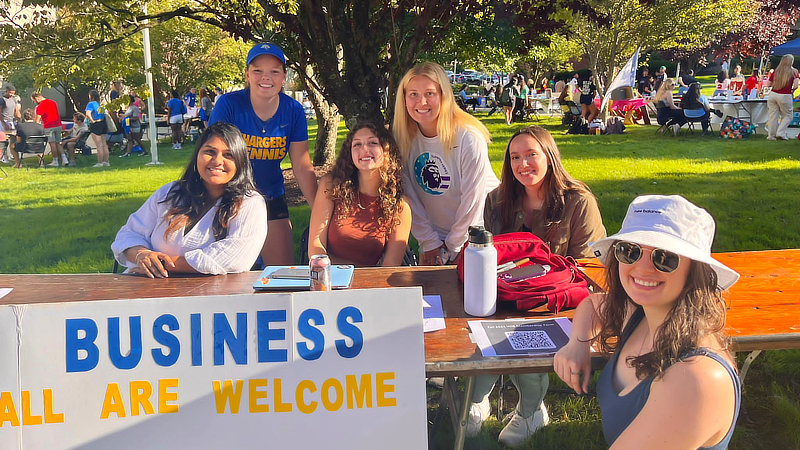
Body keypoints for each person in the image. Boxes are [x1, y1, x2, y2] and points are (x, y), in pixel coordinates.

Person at [554, 194, 741, 450]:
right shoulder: (641, 314)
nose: (642, 269)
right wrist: (577, 344)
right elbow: (593, 304)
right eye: (629, 251)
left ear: (694, 272)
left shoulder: (696, 378)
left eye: (664, 258)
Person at [467, 126, 606, 446]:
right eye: (515, 157)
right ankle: (477, 399)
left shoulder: (578, 201)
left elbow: (591, 270)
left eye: (531, 154)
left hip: (563, 301)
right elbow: (491, 256)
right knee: (476, 325)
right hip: (509, 294)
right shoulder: (497, 199)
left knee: (520, 336)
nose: (522, 164)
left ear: (549, 156)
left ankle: (531, 411)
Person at [209, 42, 318, 266]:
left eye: (274, 71)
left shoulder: (293, 110)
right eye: (258, 70)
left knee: (281, 274)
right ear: (247, 74)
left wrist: (320, 211)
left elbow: (301, 164)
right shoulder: (229, 105)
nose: (265, 77)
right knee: (226, 271)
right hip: (229, 196)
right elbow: (212, 156)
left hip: (271, 195)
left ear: (284, 77)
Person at [111, 122, 268, 277]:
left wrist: (161, 265)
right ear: (197, 155)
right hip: (147, 289)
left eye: (228, 155)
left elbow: (236, 256)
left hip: (211, 296)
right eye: (210, 152)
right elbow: (129, 234)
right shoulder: (171, 192)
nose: (217, 161)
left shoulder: (250, 202)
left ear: (240, 162)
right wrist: (141, 255)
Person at [392, 62, 499, 265]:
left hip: (478, 235)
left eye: (430, 93)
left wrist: (452, 247)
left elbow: (473, 202)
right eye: (413, 94)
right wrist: (429, 241)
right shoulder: (403, 139)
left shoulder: (468, 138)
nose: (421, 102)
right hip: (436, 238)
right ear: (404, 99)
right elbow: (409, 197)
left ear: (444, 95)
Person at [308, 122, 411, 266]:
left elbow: (391, 264)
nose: (364, 149)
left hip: (369, 283)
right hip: (329, 278)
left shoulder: (400, 206)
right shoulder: (331, 186)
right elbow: (315, 244)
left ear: (387, 151)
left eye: (373, 143)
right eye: (357, 144)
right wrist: (327, 275)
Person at [764, 54, 799, 141]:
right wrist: (792, 91)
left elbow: (768, 84)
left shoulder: (776, 71)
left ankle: (771, 136)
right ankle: (780, 133)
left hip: (773, 94)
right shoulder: (794, 71)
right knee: (787, 116)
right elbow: (796, 85)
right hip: (785, 95)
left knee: (773, 116)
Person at [30, 92, 66, 167]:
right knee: (58, 143)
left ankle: (55, 161)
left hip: (49, 126)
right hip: (58, 125)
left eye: (33, 101)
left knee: (52, 144)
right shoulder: (53, 102)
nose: (34, 103)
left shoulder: (41, 105)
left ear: (37, 98)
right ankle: (64, 159)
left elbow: (37, 120)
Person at [85, 89, 110, 167]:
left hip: (96, 123)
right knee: (104, 144)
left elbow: (88, 114)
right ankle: (106, 161)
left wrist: (92, 121)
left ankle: (100, 162)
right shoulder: (101, 104)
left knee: (98, 145)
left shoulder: (90, 104)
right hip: (103, 122)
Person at [1, 84, 21, 164]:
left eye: (13, 93)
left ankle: (13, 155)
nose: (12, 94)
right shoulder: (2, 100)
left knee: (13, 139)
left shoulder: (13, 99)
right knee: (3, 140)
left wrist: (19, 118)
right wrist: (3, 123)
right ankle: (3, 157)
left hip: (12, 121)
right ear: (7, 91)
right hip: (4, 121)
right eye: (11, 93)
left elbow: (16, 110)